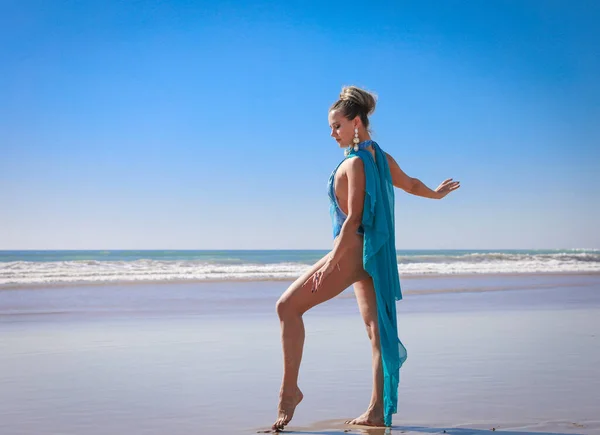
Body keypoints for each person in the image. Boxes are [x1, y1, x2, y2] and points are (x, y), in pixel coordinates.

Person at [272, 86, 460, 431]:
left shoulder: (356, 161)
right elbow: (411, 184)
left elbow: (354, 219)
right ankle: (376, 409)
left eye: (337, 126)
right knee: (376, 331)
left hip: (353, 251)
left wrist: (332, 260)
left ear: (356, 122)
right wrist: (436, 194)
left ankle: (289, 391)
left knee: (287, 307)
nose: (332, 133)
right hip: (372, 252)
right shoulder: (381, 157)